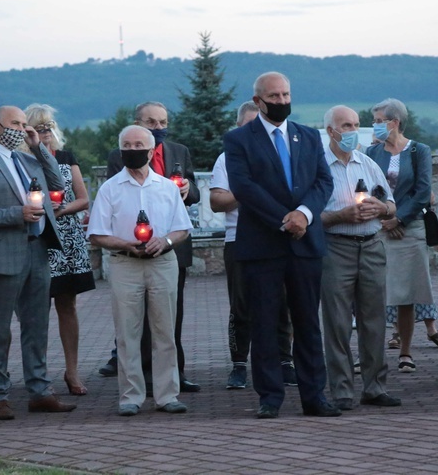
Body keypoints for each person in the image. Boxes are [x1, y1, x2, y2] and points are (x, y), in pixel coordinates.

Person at [224, 71, 340, 419]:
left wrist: (303, 214)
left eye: (286, 94)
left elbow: (323, 181)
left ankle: (314, 396)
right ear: (258, 100)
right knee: (264, 322)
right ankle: (270, 396)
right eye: (274, 97)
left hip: (305, 244)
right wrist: (285, 218)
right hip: (263, 245)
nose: (282, 102)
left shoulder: (307, 136)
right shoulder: (239, 139)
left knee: (307, 322)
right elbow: (244, 187)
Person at [0, 105, 76, 420]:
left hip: (37, 250)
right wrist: (17, 214)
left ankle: (39, 391)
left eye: (25, 124)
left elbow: (57, 184)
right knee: (0, 329)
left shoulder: (28, 159)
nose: (22, 129)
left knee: (37, 326)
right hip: (3, 253)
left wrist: (38, 146)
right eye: (16, 123)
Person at [87, 125, 193, 416]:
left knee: (165, 331)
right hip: (125, 263)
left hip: (162, 262)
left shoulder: (167, 187)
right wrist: (125, 243)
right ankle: (131, 396)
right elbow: (96, 234)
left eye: (138, 145)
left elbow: (182, 228)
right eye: (127, 145)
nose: (132, 150)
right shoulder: (110, 189)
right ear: (121, 150)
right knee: (127, 332)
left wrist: (166, 240)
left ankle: (167, 395)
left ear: (150, 151)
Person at [319, 105, 401, 411]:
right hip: (335, 246)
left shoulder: (368, 163)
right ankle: (341, 388)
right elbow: (309, 214)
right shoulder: (318, 167)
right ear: (331, 131)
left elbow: (392, 205)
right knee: (337, 321)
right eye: (346, 126)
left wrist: (380, 209)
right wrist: (341, 214)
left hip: (371, 244)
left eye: (355, 125)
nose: (353, 131)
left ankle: (375, 386)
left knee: (374, 319)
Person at [210, 101, 295, 390]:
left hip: (278, 236)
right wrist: (248, 188)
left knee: (284, 302)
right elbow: (217, 201)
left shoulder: (280, 153)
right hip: (240, 239)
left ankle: (285, 362)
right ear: (238, 128)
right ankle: (238, 364)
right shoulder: (227, 158)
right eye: (248, 125)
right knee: (241, 305)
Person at [365, 98, 438, 373]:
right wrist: (386, 218)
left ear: (394, 122)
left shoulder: (419, 151)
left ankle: (405, 352)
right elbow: (366, 190)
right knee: (374, 293)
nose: (374, 126)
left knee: (407, 293)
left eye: (378, 121)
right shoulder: (372, 152)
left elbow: (423, 191)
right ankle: (369, 352)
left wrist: (400, 218)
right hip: (379, 228)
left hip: (410, 230)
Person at [25, 104, 95, 395]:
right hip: (36, 239)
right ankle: (37, 375)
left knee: (68, 306)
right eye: (39, 128)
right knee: (35, 311)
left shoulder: (65, 158)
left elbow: (83, 199)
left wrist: (61, 209)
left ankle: (72, 371)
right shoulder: (21, 161)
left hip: (67, 241)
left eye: (49, 126)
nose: (45, 133)